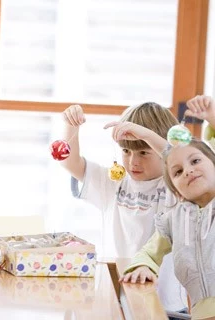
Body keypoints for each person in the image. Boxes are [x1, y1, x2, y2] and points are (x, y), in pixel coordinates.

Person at [62, 102, 187, 314]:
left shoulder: (177, 187)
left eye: (144, 152)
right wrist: (70, 126)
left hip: (165, 307)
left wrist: (147, 135)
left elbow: (180, 160)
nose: (132, 162)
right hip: (113, 303)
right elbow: (69, 163)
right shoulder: (113, 181)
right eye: (126, 151)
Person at [120, 139, 215, 319]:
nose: (188, 171)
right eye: (178, 172)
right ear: (177, 193)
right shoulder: (174, 220)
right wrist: (143, 267)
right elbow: (147, 253)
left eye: (195, 161)